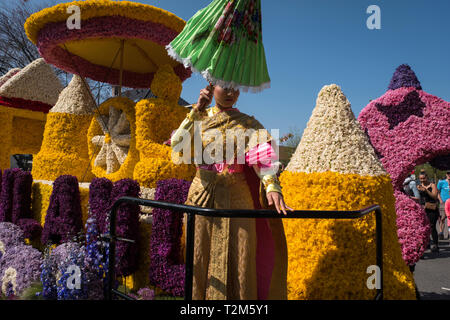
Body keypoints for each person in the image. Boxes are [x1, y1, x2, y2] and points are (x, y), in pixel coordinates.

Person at [171, 85, 292, 300]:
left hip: (239, 198)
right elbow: (177, 146)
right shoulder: (196, 116)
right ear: (210, 86)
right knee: (199, 257)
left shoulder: (248, 123)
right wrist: (197, 109)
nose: (231, 93)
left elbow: (263, 159)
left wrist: (272, 187)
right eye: (225, 88)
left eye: (235, 89)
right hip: (202, 196)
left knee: (242, 257)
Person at [418, 172, 440, 252]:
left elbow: (434, 196)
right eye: (421, 179)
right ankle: (427, 244)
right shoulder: (419, 186)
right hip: (423, 209)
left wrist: (426, 190)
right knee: (424, 227)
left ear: (427, 177)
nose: (422, 180)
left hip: (432, 209)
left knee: (432, 226)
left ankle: (435, 244)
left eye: (424, 178)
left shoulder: (432, 185)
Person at [437, 171, 450, 239]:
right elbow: (437, 192)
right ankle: (441, 232)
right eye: (448, 173)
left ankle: (448, 233)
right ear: (446, 174)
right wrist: (440, 200)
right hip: (443, 202)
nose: (449, 174)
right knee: (442, 218)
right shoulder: (441, 182)